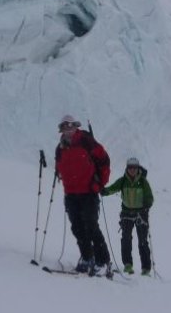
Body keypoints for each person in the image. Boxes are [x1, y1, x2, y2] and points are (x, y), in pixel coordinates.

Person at [54, 115, 111, 273]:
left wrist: (100, 183)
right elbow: (59, 166)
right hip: (71, 194)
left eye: (70, 126)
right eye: (64, 127)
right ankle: (87, 257)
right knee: (77, 227)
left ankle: (103, 261)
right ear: (61, 130)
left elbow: (104, 159)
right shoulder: (60, 148)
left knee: (91, 226)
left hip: (88, 192)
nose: (68, 130)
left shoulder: (86, 141)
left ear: (76, 126)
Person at [102, 157, 154, 275]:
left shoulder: (143, 182)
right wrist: (104, 191)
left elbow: (149, 197)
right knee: (126, 239)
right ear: (127, 168)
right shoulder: (123, 181)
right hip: (126, 213)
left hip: (141, 214)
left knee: (143, 241)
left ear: (138, 168)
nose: (132, 170)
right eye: (130, 168)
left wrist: (147, 204)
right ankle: (127, 264)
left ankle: (146, 269)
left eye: (134, 168)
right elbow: (112, 188)